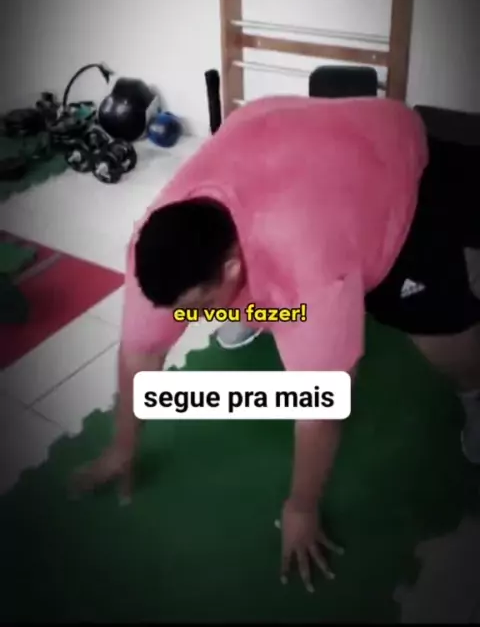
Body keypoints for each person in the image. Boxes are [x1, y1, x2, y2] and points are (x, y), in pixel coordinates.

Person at [72, 95, 480, 593]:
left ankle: (475, 393)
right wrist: (122, 445)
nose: (188, 320)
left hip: (387, 158)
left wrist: (301, 507)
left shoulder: (304, 267)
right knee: (236, 307)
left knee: (446, 338)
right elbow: (140, 351)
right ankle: (251, 311)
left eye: (199, 308)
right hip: (276, 142)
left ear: (231, 269)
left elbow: (321, 407)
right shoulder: (150, 248)